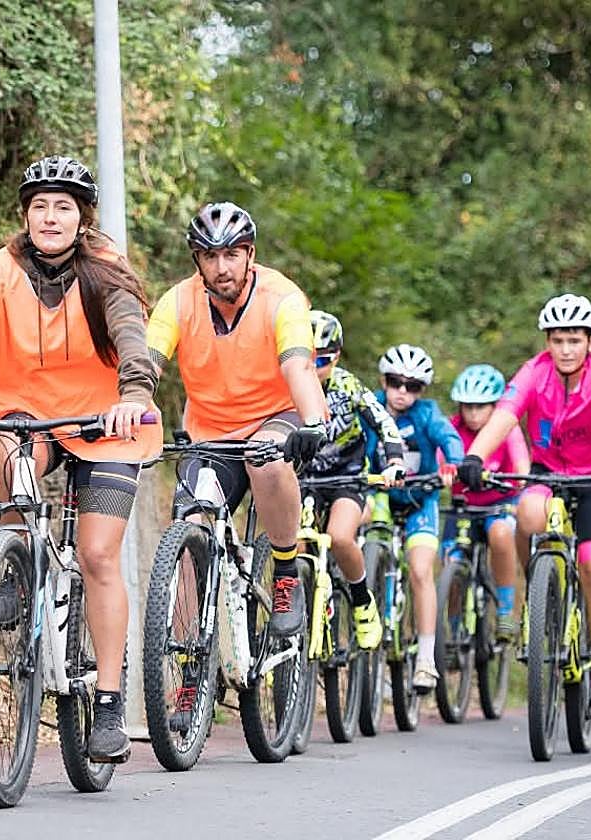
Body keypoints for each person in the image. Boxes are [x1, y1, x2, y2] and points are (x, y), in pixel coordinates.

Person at [0, 155, 162, 763]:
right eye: (40, 205)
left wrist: (135, 395)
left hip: (106, 422)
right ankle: (12, 562)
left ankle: (109, 705)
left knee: (97, 554)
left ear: (81, 217)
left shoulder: (105, 271)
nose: (50, 216)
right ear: (25, 214)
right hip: (29, 415)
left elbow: (131, 339)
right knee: (13, 455)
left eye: (63, 206)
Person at [457, 293, 591, 716]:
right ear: (547, 342)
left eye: (574, 341)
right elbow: (505, 416)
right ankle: (541, 592)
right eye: (558, 340)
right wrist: (474, 456)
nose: (566, 349)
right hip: (548, 472)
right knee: (526, 513)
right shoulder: (534, 372)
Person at [146, 201, 328, 639]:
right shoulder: (178, 302)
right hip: (210, 429)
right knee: (187, 536)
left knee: (263, 459)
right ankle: (185, 671)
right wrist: (131, 403)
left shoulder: (282, 298)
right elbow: (145, 363)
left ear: (250, 254)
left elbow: (299, 366)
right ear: (197, 261)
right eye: (210, 256)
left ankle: (285, 572)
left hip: (277, 416)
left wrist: (314, 423)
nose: (221, 266)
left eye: (232, 253)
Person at [303, 310, 407, 649]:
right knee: (292, 541)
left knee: (339, 536)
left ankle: (362, 601)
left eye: (324, 359)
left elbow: (383, 421)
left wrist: (394, 461)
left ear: (337, 356)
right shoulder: (286, 384)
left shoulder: (348, 386)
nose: (315, 366)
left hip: (347, 476)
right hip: (304, 477)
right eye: (308, 357)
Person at [364, 344, 462, 692]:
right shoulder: (370, 406)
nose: (402, 392)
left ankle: (425, 659)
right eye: (395, 382)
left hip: (421, 499)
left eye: (413, 386)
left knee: (420, 570)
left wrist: (453, 462)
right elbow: (355, 443)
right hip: (381, 495)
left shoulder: (427, 413)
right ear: (383, 381)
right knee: (359, 531)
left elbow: (449, 436)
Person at [443, 364, 530, 642]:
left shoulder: (507, 429)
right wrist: (442, 471)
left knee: (501, 534)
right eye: (467, 407)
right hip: (463, 507)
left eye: (480, 407)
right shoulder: (451, 427)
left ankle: (505, 611)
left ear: (495, 407)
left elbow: (522, 467)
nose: (473, 414)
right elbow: (439, 458)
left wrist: (518, 479)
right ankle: (454, 631)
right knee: (451, 561)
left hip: (499, 505)